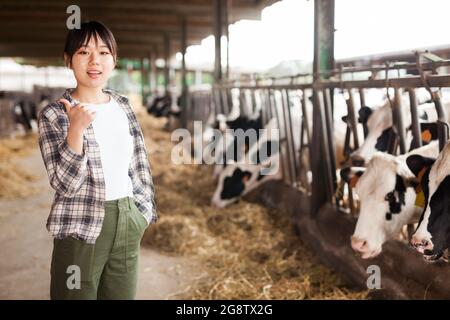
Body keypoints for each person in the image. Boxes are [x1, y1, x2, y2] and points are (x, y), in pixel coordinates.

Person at [37, 21, 158, 300]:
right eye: (83, 52)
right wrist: (75, 129)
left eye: (104, 52)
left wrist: (143, 210)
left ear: (114, 60)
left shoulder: (123, 106)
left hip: (128, 218)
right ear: (68, 59)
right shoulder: (54, 115)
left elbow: (137, 163)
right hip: (81, 226)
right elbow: (65, 184)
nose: (95, 61)